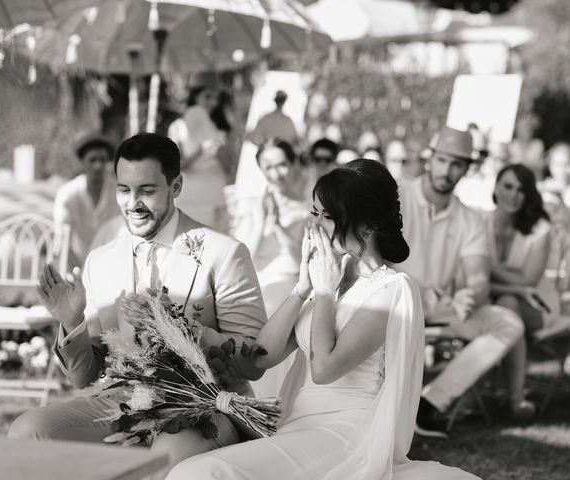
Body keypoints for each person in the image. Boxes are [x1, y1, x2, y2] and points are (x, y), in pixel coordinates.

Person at [168, 159, 479, 480]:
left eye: (328, 217)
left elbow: (324, 368)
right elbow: (262, 356)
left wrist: (326, 292)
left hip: (343, 434)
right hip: (296, 426)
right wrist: (302, 288)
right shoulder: (325, 279)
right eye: (314, 212)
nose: (314, 225)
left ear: (368, 226)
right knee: (193, 471)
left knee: (204, 472)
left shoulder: (391, 291)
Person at [8, 133, 268, 478]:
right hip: (121, 403)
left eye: (147, 190)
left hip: (205, 409)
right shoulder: (100, 261)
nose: (133, 203)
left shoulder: (225, 253)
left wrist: (177, 329)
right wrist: (73, 325)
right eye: (124, 190)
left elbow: (254, 361)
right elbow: (86, 375)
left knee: (166, 453)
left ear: (176, 186)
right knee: (28, 430)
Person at [396, 126, 524, 438]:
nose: (447, 170)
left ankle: (429, 404)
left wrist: (471, 295)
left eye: (457, 164)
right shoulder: (396, 197)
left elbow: (479, 277)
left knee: (507, 322)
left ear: (467, 169)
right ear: (430, 159)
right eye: (442, 160)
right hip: (393, 303)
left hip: (441, 309)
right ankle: (395, 406)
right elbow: (372, 260)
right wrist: (415, 289)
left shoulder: (470, 220)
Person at [230, 138, 308, 397]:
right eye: (269, 167)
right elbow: (241, 256)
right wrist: (261, 220)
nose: (276, 174)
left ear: (293, 164)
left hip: (290, 283)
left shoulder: (307, 209)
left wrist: (277, 226)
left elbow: (301, 260)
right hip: (257, 283)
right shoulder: (250, 205)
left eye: (282, 165)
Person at [487, 164, 557, 420]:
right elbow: (469, 277)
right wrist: (503, 283)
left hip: (539, 303)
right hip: (489, 296)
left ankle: (515, 400)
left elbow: (529, 281)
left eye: (521, 190)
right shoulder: (478, 223)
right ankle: (513, 398)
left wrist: (488, 267)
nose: (514, 195)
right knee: (501, 301)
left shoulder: (539, 229)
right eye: (508, 186)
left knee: (507, 304)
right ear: (495, 187)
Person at [52, 134, 119, 270]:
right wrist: (82, 271)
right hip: (74, 268)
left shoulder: (119, 192)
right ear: (83, 162)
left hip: (110, 268)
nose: (98, 166)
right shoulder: (68, 193)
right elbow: (61, 241)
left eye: (103, 160)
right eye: (92, 160)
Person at [169, 85, 228, 231]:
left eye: (215, 98)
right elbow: (176, 165)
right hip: (189, 190)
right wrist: (201, 151)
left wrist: (219, 152)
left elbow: (228, 165)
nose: (213, 102)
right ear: (195, 97)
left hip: (214, 187)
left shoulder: (219, 129)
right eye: (208, 96)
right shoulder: (178, 127)